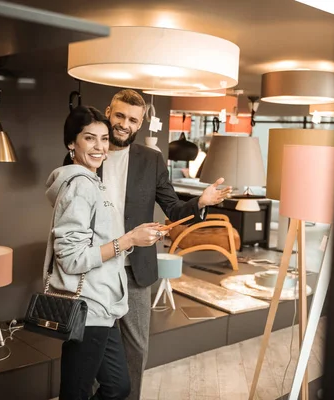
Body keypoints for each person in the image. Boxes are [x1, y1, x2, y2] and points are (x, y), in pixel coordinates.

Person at [98, 89, 232, 399]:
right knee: (94, 346)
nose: (124, 124)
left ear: (141, 123)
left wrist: (200, 201)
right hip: (97, 266)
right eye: (119, 116)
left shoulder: (151, 159)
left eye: (132, 119)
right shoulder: (90, 150)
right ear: (108, 112)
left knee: (135, 348)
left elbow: (172, 207)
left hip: (136, 270)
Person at [44, 105, 166, 400]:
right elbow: (71, 258)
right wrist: (128, 240)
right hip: (86, 307)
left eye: (103, 138)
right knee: (77, 392)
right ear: (72, 143)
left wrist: (138, 238)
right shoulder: (80, 187)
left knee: (118, 386)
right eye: (89, 139)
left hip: (103, 308)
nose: (100, 147)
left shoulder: (92, 182)